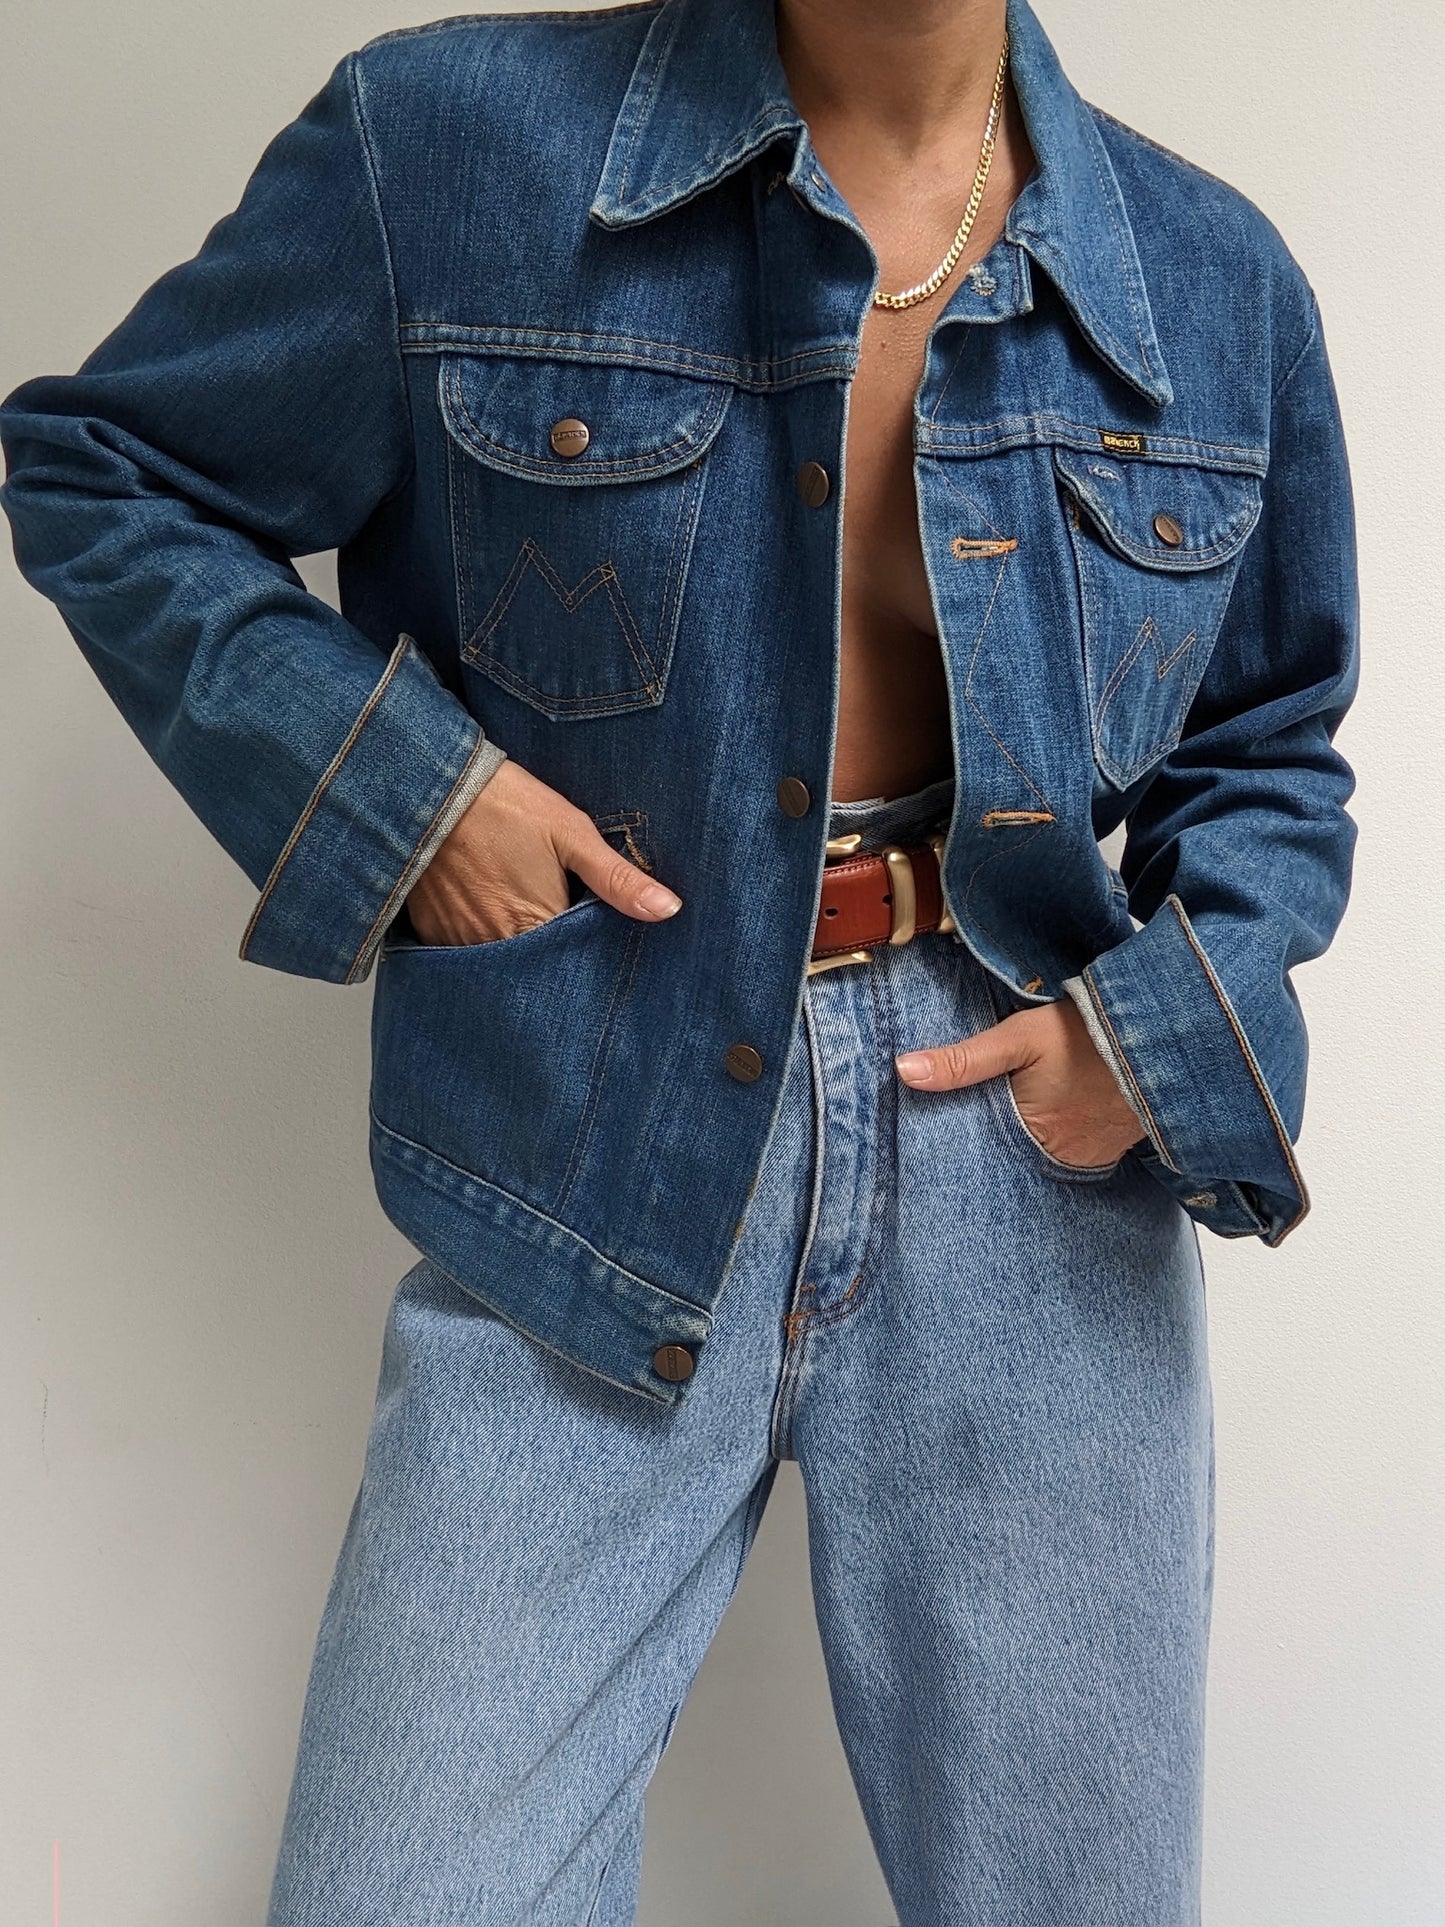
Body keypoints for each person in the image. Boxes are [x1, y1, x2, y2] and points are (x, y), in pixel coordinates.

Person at [0, 0, 1358, 1918]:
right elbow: (108, 469)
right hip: (589, 1130)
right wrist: (411, 798)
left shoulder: (1208, 278)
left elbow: (1268, 742)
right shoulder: (448, 147)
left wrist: (1152, 1037)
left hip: (1027, 1165)